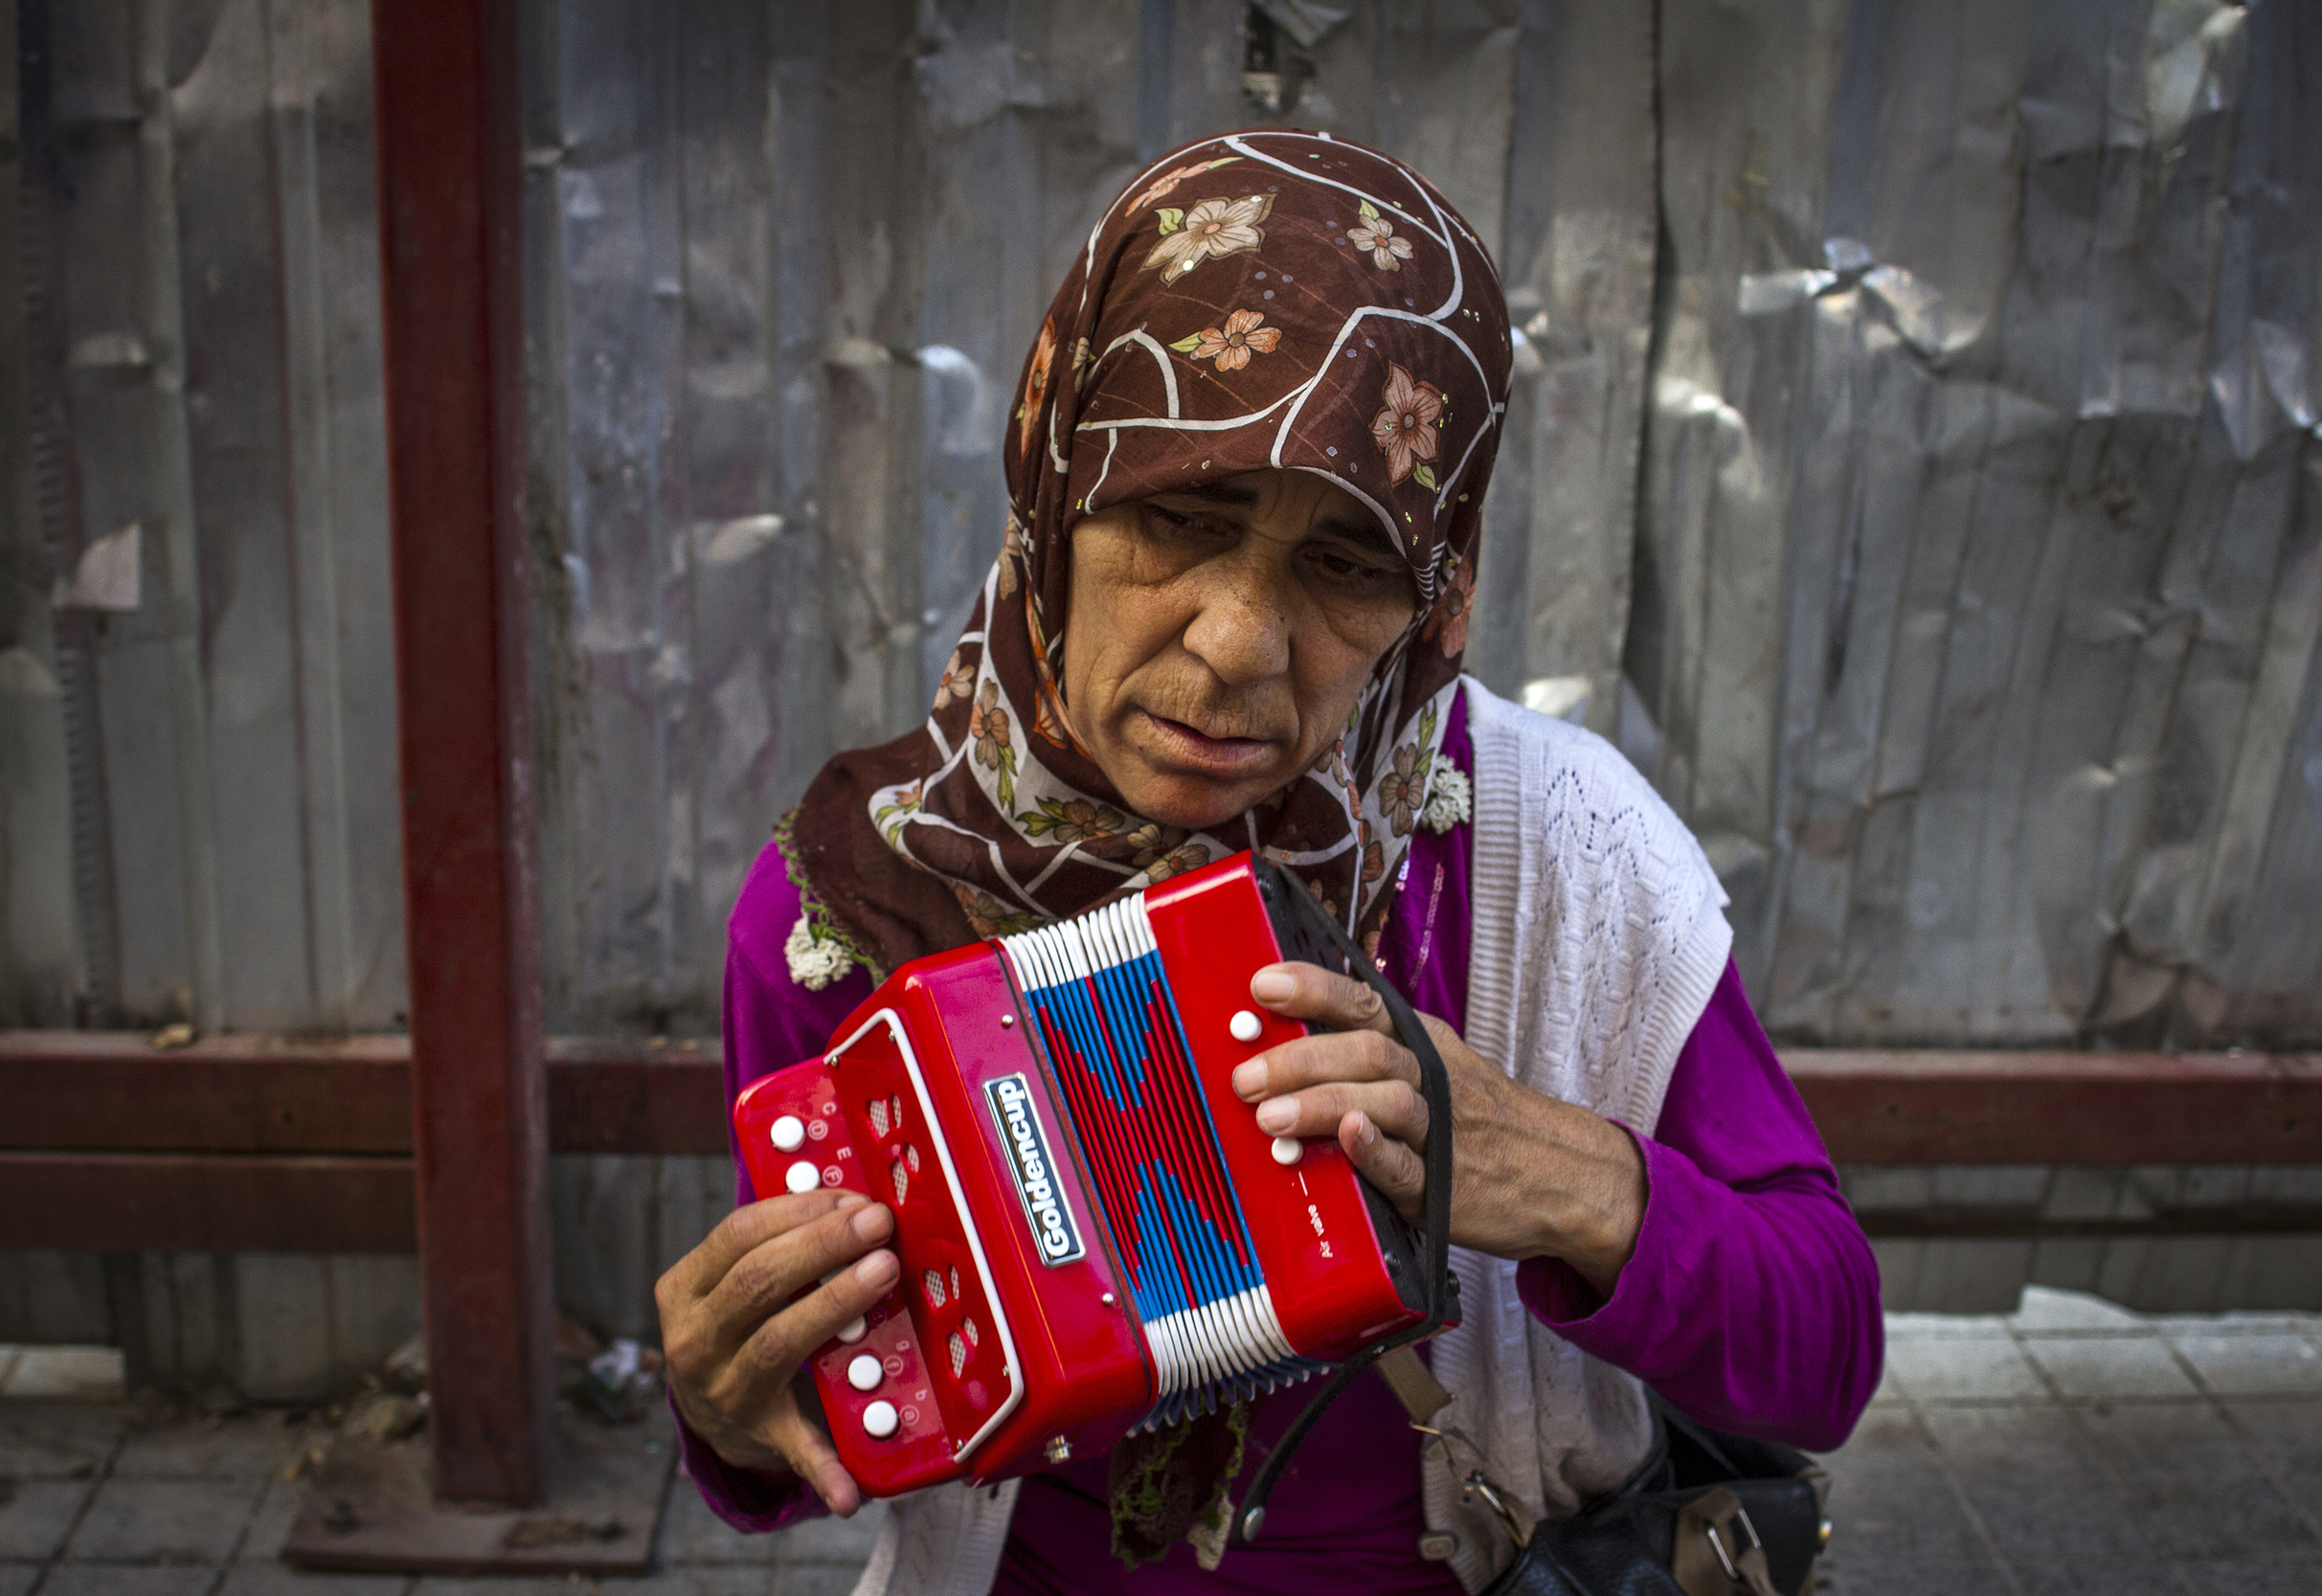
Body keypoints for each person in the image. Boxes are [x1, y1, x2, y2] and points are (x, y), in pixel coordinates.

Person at [656, 130, 1882, 1596]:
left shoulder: (1559, 851)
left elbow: (1826, 1363)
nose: (1238, 642)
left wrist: (1570, 1183)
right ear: (1056, 481)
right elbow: (850, 1433)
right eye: (1180, 515)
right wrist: (732, 1414)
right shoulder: (852, 910)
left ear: (1435, 591)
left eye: (1349, 561)